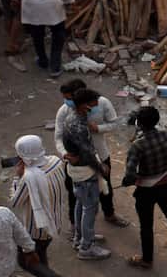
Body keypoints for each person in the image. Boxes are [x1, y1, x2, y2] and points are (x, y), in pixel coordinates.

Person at [121, 106, 167, 269]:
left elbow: (130, 175)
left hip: (146, 191)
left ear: (139, 124)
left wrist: (127, 182)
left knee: (146, 225)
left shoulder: (138, 145)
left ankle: (147, 260)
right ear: (157, 120)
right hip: (165, 184)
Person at [8, 136, 76, 277]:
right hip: (54, 221)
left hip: (35, 229)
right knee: (40, 257)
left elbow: (15, 201)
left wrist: (17, 176)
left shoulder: (29, 177)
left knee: (26, 261)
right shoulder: (55, 161)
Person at [53, 80, 125, 230]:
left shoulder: (101, 103)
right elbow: (58, 136)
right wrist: (65, 154)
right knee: (75, 195)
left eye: (69, 97)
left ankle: (109, 214)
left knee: (105, 188)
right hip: (77, 162)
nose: (67, 102)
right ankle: (76, 225)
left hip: (100, 154)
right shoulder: (65, 112)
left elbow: (115, 123)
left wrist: (98, 128)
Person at [58, 88, 111, 260]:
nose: (97, 104)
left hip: (77, 171)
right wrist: (101, 167)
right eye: (95, 101)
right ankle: (86, 247)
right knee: (90, 208)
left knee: (81, 205)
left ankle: (79, 238)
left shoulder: (74, 117)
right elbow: (87, 153)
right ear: (85, 105)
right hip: (84, 172)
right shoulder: (79, 125)